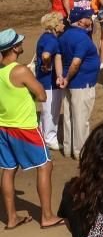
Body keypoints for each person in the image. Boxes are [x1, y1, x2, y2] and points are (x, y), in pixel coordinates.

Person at [0, 27, 61, 230]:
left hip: (4, 126)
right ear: (15, 48)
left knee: (8, 169)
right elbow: (42, 95)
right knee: (45, 165)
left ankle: (11, 218)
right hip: (24, 127)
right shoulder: (20, 70)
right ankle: (47, 216)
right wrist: (32, 93)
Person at [58, 8, 100, 159]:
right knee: (81, 119)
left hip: (69, 83)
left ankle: (69, 148)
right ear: (81, 21)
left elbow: (59, 58)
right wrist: (68, 77)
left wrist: (63, 77)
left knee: (69, 116)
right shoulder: (82, 39)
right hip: (82, 83)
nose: (91, 19)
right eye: (88, 17)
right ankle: (80, 152)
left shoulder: (64, 36)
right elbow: (76, 63)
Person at [35, 13, 64, 152]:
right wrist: (47, 65)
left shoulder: (45, 37)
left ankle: (42, 135)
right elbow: (46, 55)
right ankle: (50, 139)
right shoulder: (52, 40)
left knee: (46, 110)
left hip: (44, 80)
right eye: (61, 22)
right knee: (52, 111)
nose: (64, 24)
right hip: (49, 82)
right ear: (55, 25)